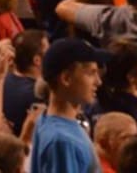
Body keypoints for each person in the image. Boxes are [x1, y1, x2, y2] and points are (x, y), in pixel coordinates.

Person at [32, 37, 105, 173]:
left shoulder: (45, 120)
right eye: (91, 73)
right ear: (66, 78)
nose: (98, 82)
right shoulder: (63, 141)